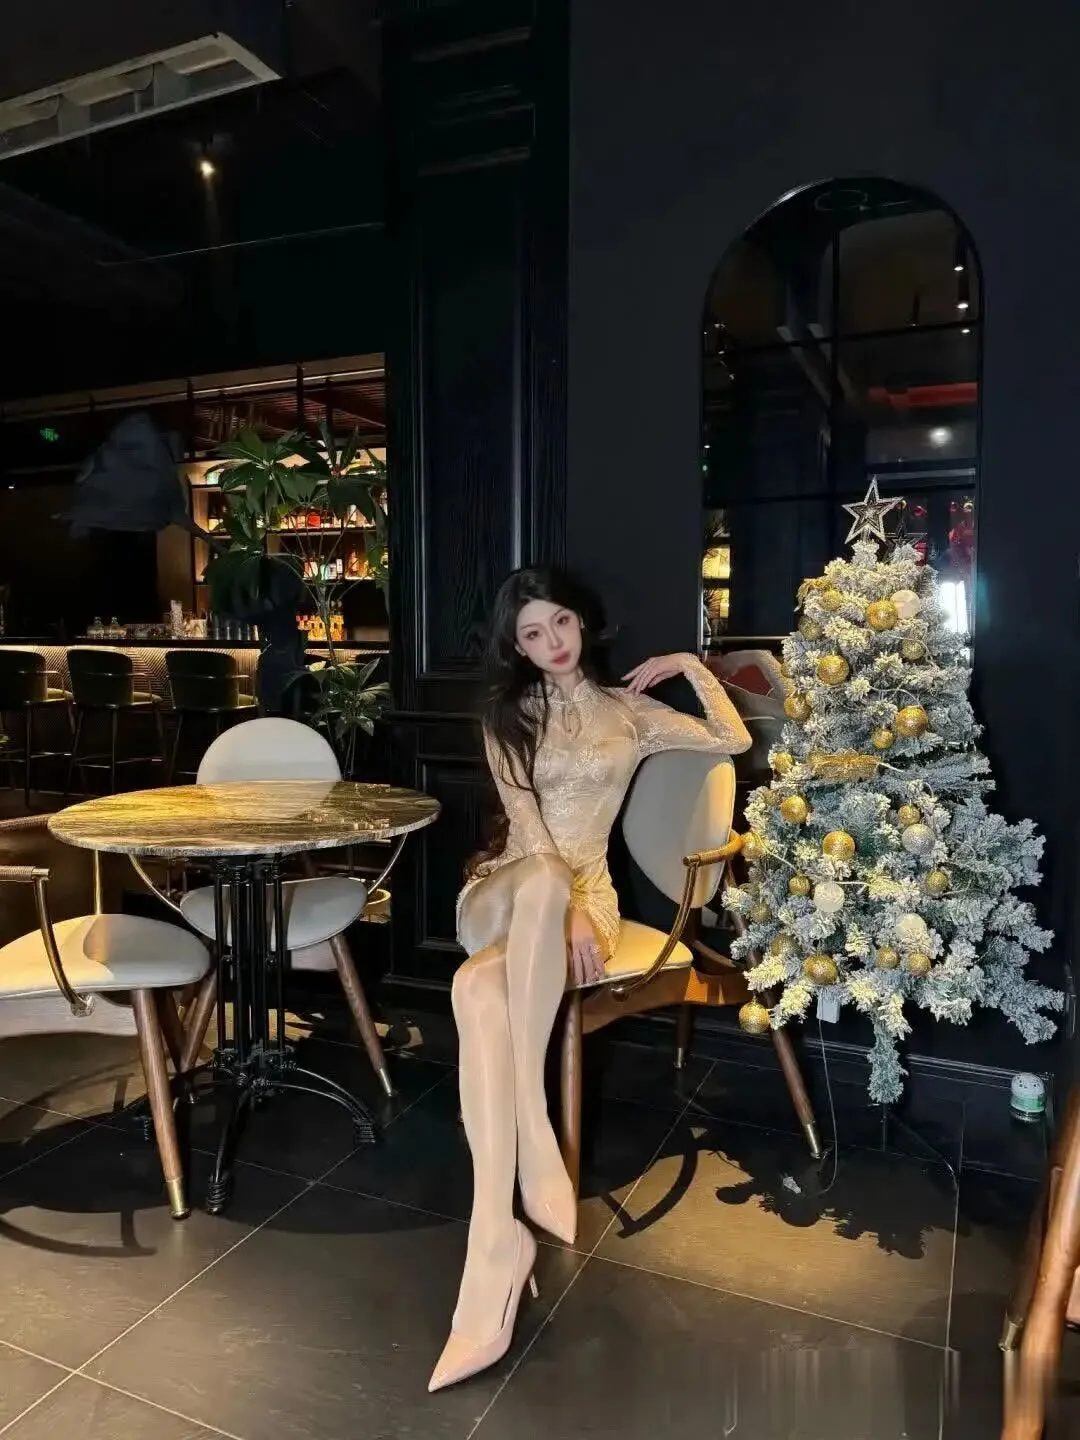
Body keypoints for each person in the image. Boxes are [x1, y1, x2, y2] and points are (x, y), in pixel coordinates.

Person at [429, 565, 751, 1392]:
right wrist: (562, 904)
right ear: (517, 646)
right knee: (540, 877)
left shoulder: (631, 714)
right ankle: (534, 1123)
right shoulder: (507, 716)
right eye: (532, 634)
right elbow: (529, 831)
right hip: (505, 892)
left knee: (474, 992)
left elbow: (733, 740)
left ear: (583, 622)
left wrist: (690, 665)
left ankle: (493, 1244)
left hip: (588, 903)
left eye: (561, 623)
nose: (552, 643)